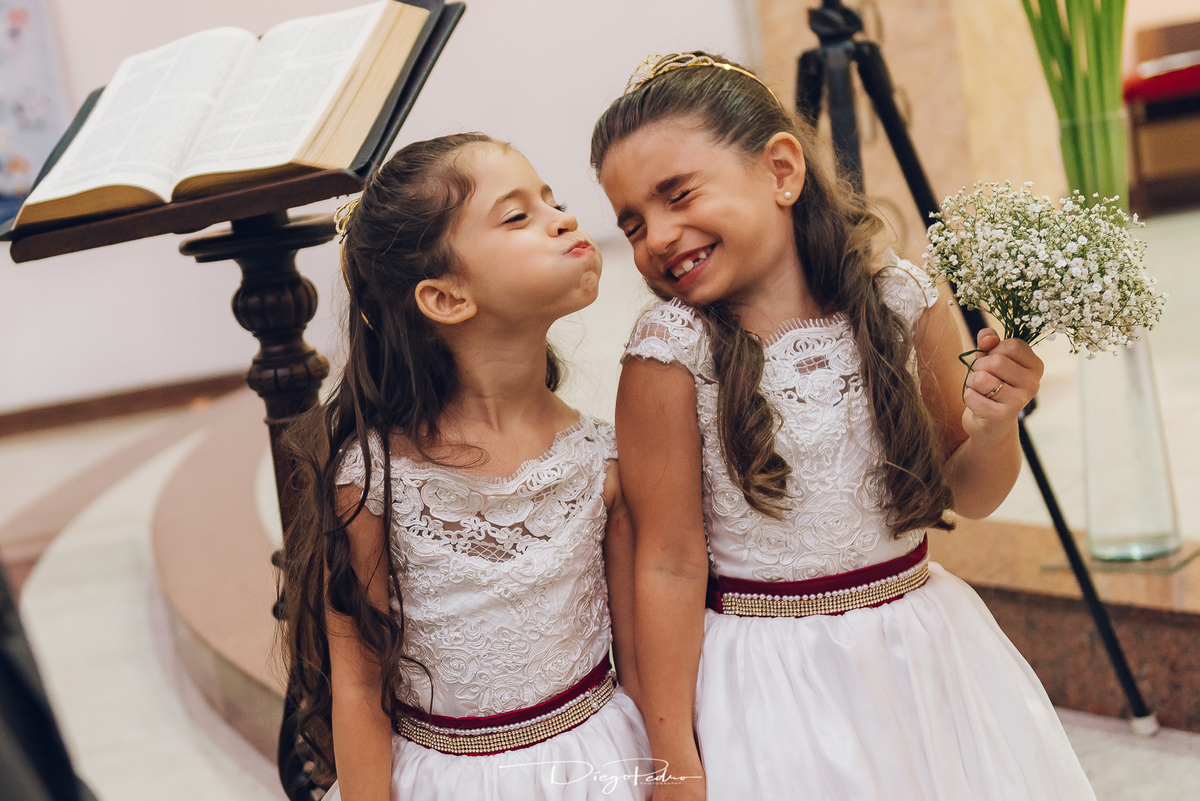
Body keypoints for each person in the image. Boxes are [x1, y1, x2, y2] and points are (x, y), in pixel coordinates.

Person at [591, 53, 1096, 800]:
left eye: (679, 194)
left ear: (781, 170)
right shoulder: (669, 354)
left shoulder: (900, 302)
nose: (657, 237)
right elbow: (666, 565)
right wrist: (673, 754)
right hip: (770, 685)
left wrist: (995, 428)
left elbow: (969, 494)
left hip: (920, 658)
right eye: (632, 223)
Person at [281, 133, 652, 801]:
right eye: (518, 215)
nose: (563, 218)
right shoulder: (373, 481)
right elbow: (359, 685)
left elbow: (638, 663)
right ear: (446, 297)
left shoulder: (601, 460)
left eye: (552, 201)